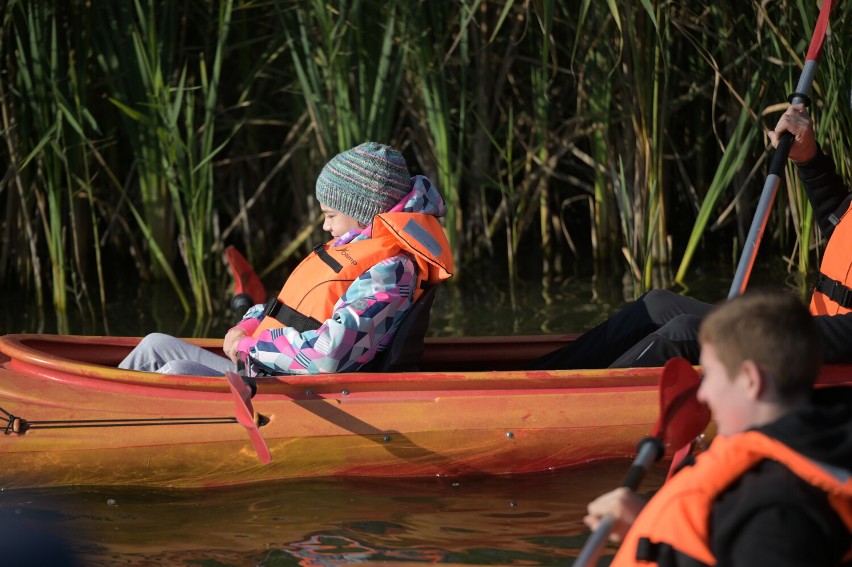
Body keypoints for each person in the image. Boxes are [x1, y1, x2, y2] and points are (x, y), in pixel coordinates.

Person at [531, 102, 852, 370]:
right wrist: (809, 159)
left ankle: (577, 404)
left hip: (821, 359)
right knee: (658, 305)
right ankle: (535, 379)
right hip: (806, 331)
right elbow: (841, 227)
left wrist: (776, 327)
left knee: (683, 331)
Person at [119, 142, 454, 376]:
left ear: (364, 212)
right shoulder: (355, 249)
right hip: (270, 371)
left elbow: (327, 356)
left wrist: (252, 347)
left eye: (331, 215)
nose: (325, 226)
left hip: (301, 391)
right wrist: (249, 323)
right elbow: (290, 313)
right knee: (154, 346)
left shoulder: (390, 272)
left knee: (175, 372)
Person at [583, 290, 852, 566]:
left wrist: (652, 539)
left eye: (709, 376)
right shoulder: (772, 478)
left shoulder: (777, 512)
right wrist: (644, 524)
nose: (702, 394)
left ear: (750, 380)